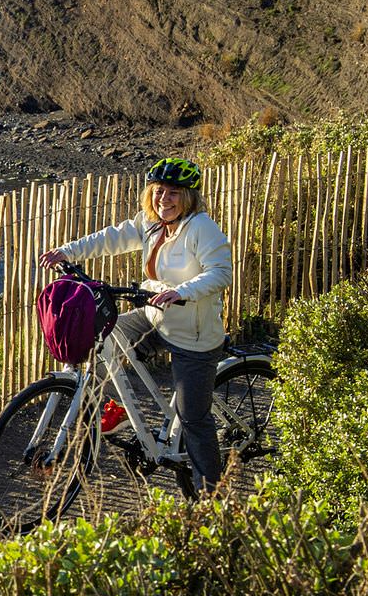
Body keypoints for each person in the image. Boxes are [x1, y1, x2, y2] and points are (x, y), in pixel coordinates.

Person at [40, 157, 233, 488]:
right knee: (100, 348)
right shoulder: (151, 222)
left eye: (174, 193)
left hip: (194, 335)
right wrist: (67, 252)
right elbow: (111, 238)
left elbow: (220, 272)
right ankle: (118, 410)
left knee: (194, 420)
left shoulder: (201, 227)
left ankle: (212, 504)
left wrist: (180, 291)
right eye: (159, 192)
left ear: (188, 197)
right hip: (155, 317)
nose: (164, 199)